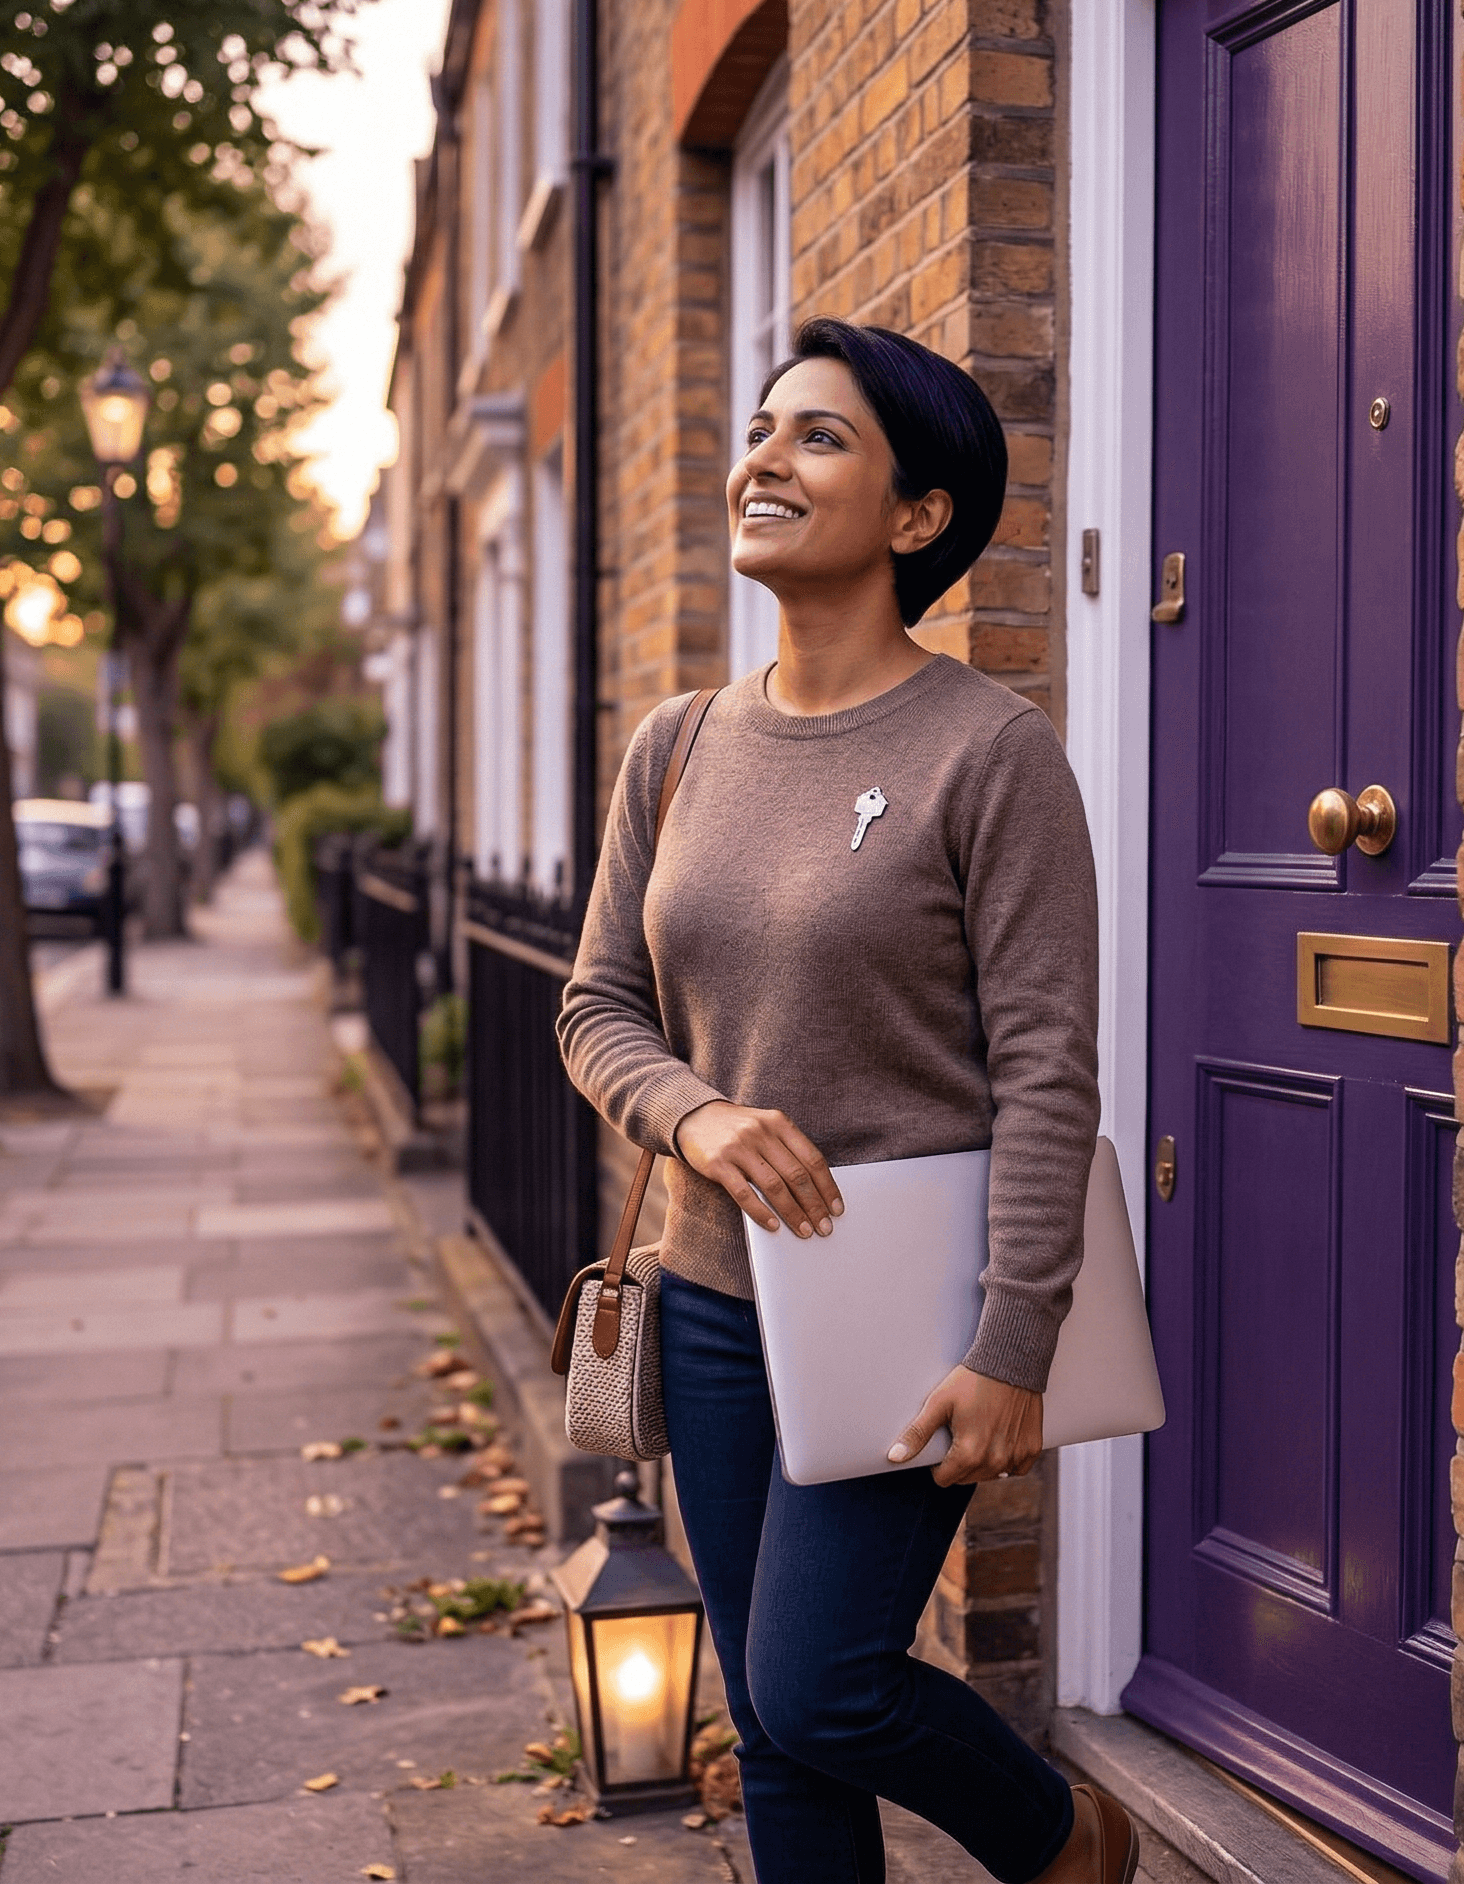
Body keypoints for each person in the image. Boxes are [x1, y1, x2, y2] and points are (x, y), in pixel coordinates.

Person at [558, 317, 1132, 1884]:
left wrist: (1013, 1344)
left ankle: (1063, 1834)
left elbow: (1045, 1067)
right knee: (769, 1720)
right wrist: (697, 1116)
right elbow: (595, 1005)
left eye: (818, 436)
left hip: (905, 1310)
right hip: (713, 1298)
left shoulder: (990, 757)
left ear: (918, 514)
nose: (763, 459)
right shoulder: (676, 748)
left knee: (823, 1685)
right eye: (762, 429)